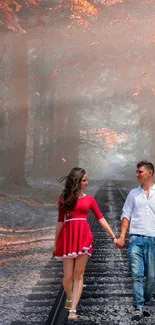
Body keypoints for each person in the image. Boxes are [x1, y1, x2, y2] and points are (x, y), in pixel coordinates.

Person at [52, 167, 118, 320]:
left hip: (84, 238)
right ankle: (69, 297)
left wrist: (113, 236)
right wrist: (55, 244)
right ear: (76, 182)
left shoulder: (89, 199)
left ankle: (73, 310)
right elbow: (60, 223)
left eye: (86, 180)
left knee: (78, 275)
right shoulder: (64, 199)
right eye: (84, 180)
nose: (87, 183)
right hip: (68, 238)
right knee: (67, 277)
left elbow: (101, 218)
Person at [116, 160, 155, 321]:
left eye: (140, 172)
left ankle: (145, 300)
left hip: (153, 239)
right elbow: (126, 215)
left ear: (149, 173)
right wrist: (122, 237)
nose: (137, 174)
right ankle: (139, 307)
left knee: (152, 277)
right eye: (137, 172)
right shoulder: (133, 194)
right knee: (136, 275)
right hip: (136, 239)